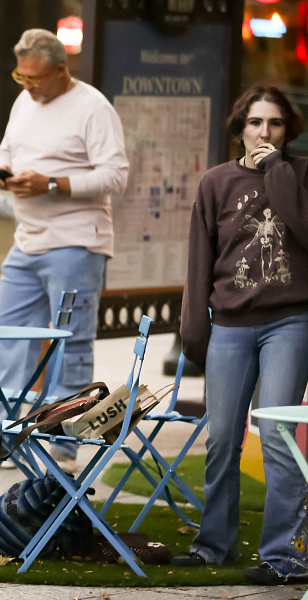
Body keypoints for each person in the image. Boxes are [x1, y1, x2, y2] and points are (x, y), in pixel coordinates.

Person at [174, 85, 308, 585]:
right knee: (222, 439)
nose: (264, 132)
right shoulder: (216, 182)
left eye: (274, 123)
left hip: (290, 322)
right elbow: (199, 261)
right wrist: (193, 328)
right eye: (255, 123)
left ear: (286, 130)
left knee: (276, 435)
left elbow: (302, 227)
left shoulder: (300, 173)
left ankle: (285, 556)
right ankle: (214, 546)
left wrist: (275, 171)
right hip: (229, 324)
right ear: (240, 127)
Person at [0, 29, 129, 471]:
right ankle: (6, 435)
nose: (26, 84)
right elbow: (7, 148)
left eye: (34, 77)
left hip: (76, 240)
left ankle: (65, 443)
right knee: (6, 335)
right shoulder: (24, 101)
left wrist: (52, 183)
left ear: (60, 71)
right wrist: (1, 170)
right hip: (26, 238)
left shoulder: (92, 107)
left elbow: (116, 176)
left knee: (71, 342)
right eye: (20, 76)